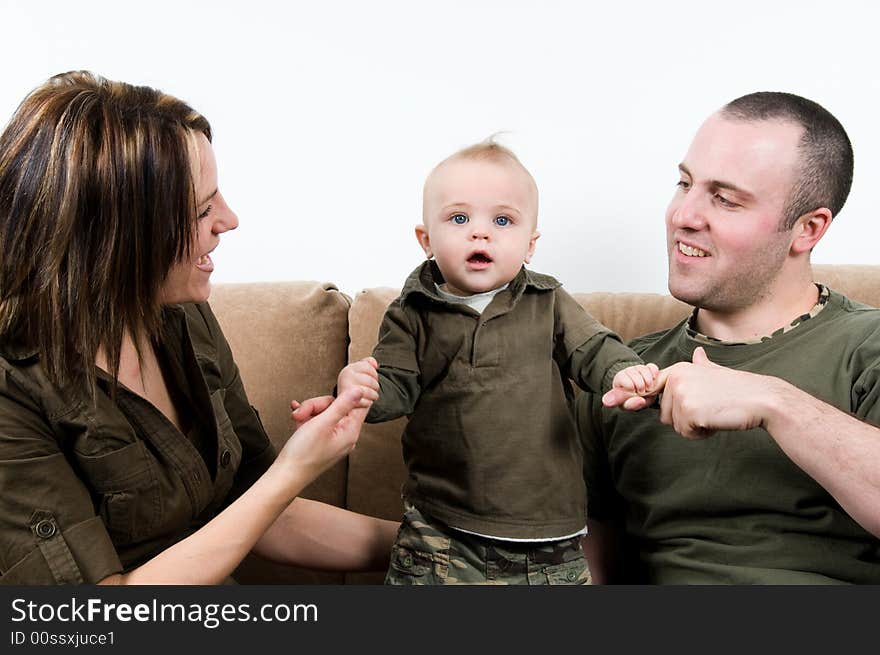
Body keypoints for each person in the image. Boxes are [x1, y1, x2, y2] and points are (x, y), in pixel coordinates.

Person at [0, 71, 397, 585]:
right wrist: (294, 471)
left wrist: (453, 549)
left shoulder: (178, 312)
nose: (229, 219)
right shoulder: (14, 388)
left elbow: (257, 509)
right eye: (202, 208)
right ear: (117, 236)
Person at [582, 92, 880, 584]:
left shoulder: (866, 345)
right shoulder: (619, 370)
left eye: (725, 198)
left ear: (807, 229)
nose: (684, 215)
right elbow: (586, 559)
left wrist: (772, 400)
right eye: (684, 184)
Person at [333, 140, 658, 584]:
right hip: (440, 526)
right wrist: (358, 390)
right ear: (426, 239)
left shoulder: (548, 302)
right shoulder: (411, 311)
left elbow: (594, 348)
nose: (480, 233)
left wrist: (622, 371)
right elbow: (395, 384)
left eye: (502, 220)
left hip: (547, 530)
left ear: (530, 245)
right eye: (459, 218)